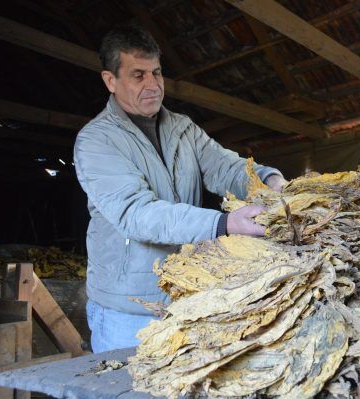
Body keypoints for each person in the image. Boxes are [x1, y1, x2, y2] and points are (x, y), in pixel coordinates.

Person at [73, 23, 287, 353]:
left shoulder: (182, 128)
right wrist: (223, 224)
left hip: (187, 297)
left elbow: (226, 167)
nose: (153, 85)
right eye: (138, 75)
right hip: (130, 311)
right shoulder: (96, 141)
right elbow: (136, 214)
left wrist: (270, 180)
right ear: (110, 80)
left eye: (156, 73)